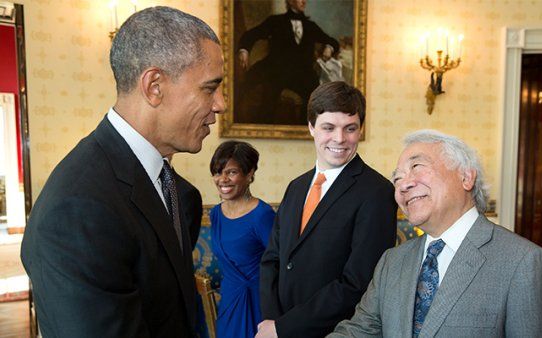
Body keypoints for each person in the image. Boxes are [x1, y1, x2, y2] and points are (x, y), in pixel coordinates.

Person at [20, 6, 225, 337]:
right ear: (154, 85)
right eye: (209, 87)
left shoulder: (178, 191)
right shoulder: (77, 210)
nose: (220, 104)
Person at [329, 130, 542, 337]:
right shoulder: (392, 262)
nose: (403, 184)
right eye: (397, 177)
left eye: (416, 167)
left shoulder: (527, 264)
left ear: (466, 177)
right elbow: (359, 330)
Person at [257, 81, 398, 338]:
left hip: (336, 332)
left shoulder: (377, 192)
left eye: (350, 128)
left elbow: (359, 284)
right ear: (311, 127)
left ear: (360, 130)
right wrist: (273, 321)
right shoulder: (296, 187)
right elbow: (272, 260)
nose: (340, 139)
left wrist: (285, 327)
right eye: (328, 127)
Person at [208, 140, 275, 337]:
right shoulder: (215, 214)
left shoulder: (262, 215)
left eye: (231, 172)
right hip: (229, 300)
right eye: (218, 172)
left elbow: (280, 263)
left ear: (249, 173)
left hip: (257, 304)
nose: (222, 179)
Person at [236, 0, 340, 125]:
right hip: (277, 72)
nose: (304, 1)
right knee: (267, 98)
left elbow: (332, 41)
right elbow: (251, 35)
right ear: (290, 1)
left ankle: (304, 131)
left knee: (314, 98)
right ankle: (262, 131)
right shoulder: (275, 22)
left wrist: (329, 47)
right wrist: (244, 50)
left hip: (301, 74)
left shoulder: (310, 26)